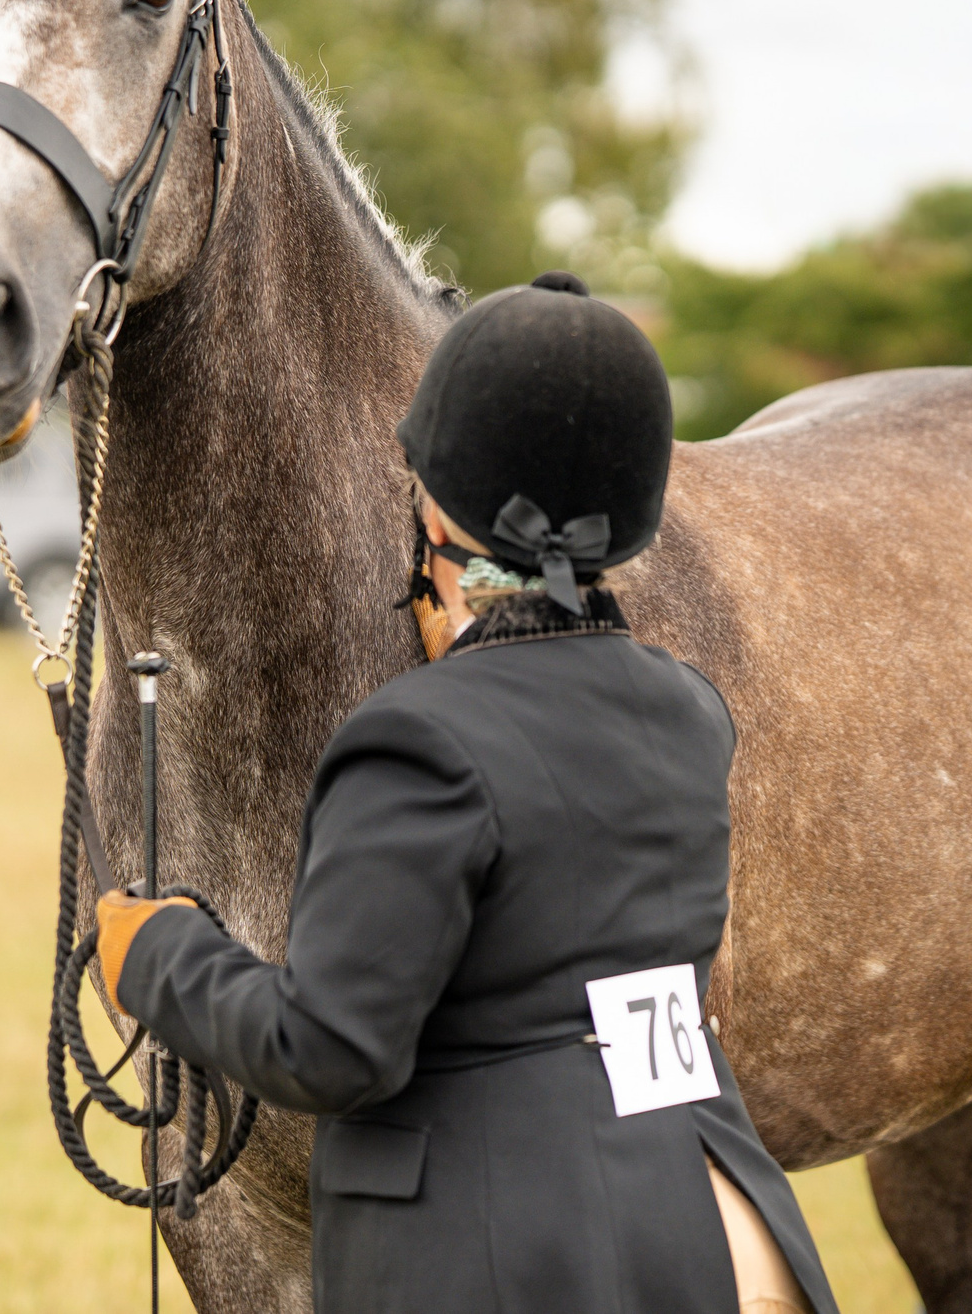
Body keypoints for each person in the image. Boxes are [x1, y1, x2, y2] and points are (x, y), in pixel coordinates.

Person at [97, 271, 838, 1314]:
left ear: (440, 502)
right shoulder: (687, 709)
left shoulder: (417, 738)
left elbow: (331, 1049)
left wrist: (162, 956)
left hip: (505, 1251)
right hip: (706, 1217)